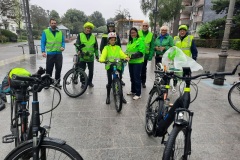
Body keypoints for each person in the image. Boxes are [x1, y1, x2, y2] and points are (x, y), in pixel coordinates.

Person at [99, 32, 130, 104]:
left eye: (114, 40)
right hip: (109, 65)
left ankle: (121, 96)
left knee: (119, 80)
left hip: (118, 65)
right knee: (109, 82)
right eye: (111, 40)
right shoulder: (106, 48)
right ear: (108, 40)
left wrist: (126, 57)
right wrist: (102, 59)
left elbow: (121, 54)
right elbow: (103, 55)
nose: (113, 41)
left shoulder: (118, 47)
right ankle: (108, 96)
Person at [41, 18, 65, 88]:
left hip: (59, 54)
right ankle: (47, 83)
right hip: (50, 54)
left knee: (58, 69)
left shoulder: (60, 32)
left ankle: (57, 83)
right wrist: (43, 51)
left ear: (56, 24)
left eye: (55, 23)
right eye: (52, 23)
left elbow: (63, 41)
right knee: (49, 69)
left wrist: (63, 47)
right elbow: (43, 42)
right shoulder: (45, 32)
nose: (54, 24)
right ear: (50, 24)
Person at [100, 21, 125, 86]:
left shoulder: (116, 34)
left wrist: (122, 55)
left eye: (112, 27)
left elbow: (119, 45)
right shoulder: (105, 34)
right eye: (110, 27)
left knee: (119, 68)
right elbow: (102, 45)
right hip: (108, 54)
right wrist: (103, 56)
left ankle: (119, 80)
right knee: (109, 70)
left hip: (116, 54)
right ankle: (109, 82)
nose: (111, 28)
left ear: (114, 27)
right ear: (108, 27)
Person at [75, 22, 99, 87]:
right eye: (87, 28)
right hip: (82, 56)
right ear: (85, 28)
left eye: (90, 28)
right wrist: (78, 51)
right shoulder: (80, 35)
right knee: (82, 71)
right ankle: (83, 83)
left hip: (90, 57)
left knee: (91, 71)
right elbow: (77, 44)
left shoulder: (93, 37)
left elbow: (96, 47)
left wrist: (97, 56)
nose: (88, 29)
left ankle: (89, 82)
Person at [126, 27, 145, 100]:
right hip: (131, 62)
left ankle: (138, 94)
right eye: (131, 33)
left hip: (138, 62)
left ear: (137, 33)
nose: (132, 34)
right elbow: (128, 51)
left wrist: (131, 56)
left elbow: (141, 52)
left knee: (137, 78)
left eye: (134, 32)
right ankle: (133, 90)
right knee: (132, 77)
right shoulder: (130, 42)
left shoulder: (140, 41)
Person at [138, 21, 154, 88]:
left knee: (144, 69)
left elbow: (152, 46)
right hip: (138, 55)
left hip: (145, 55)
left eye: (146, 26)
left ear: (148, 27)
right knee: (138, 69)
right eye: (143, 25)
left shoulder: (151, 34)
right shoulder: (138, 33)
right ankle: (138, 81)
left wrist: (151, 55)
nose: (144, 27)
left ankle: (143, 82)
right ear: (142, 26)